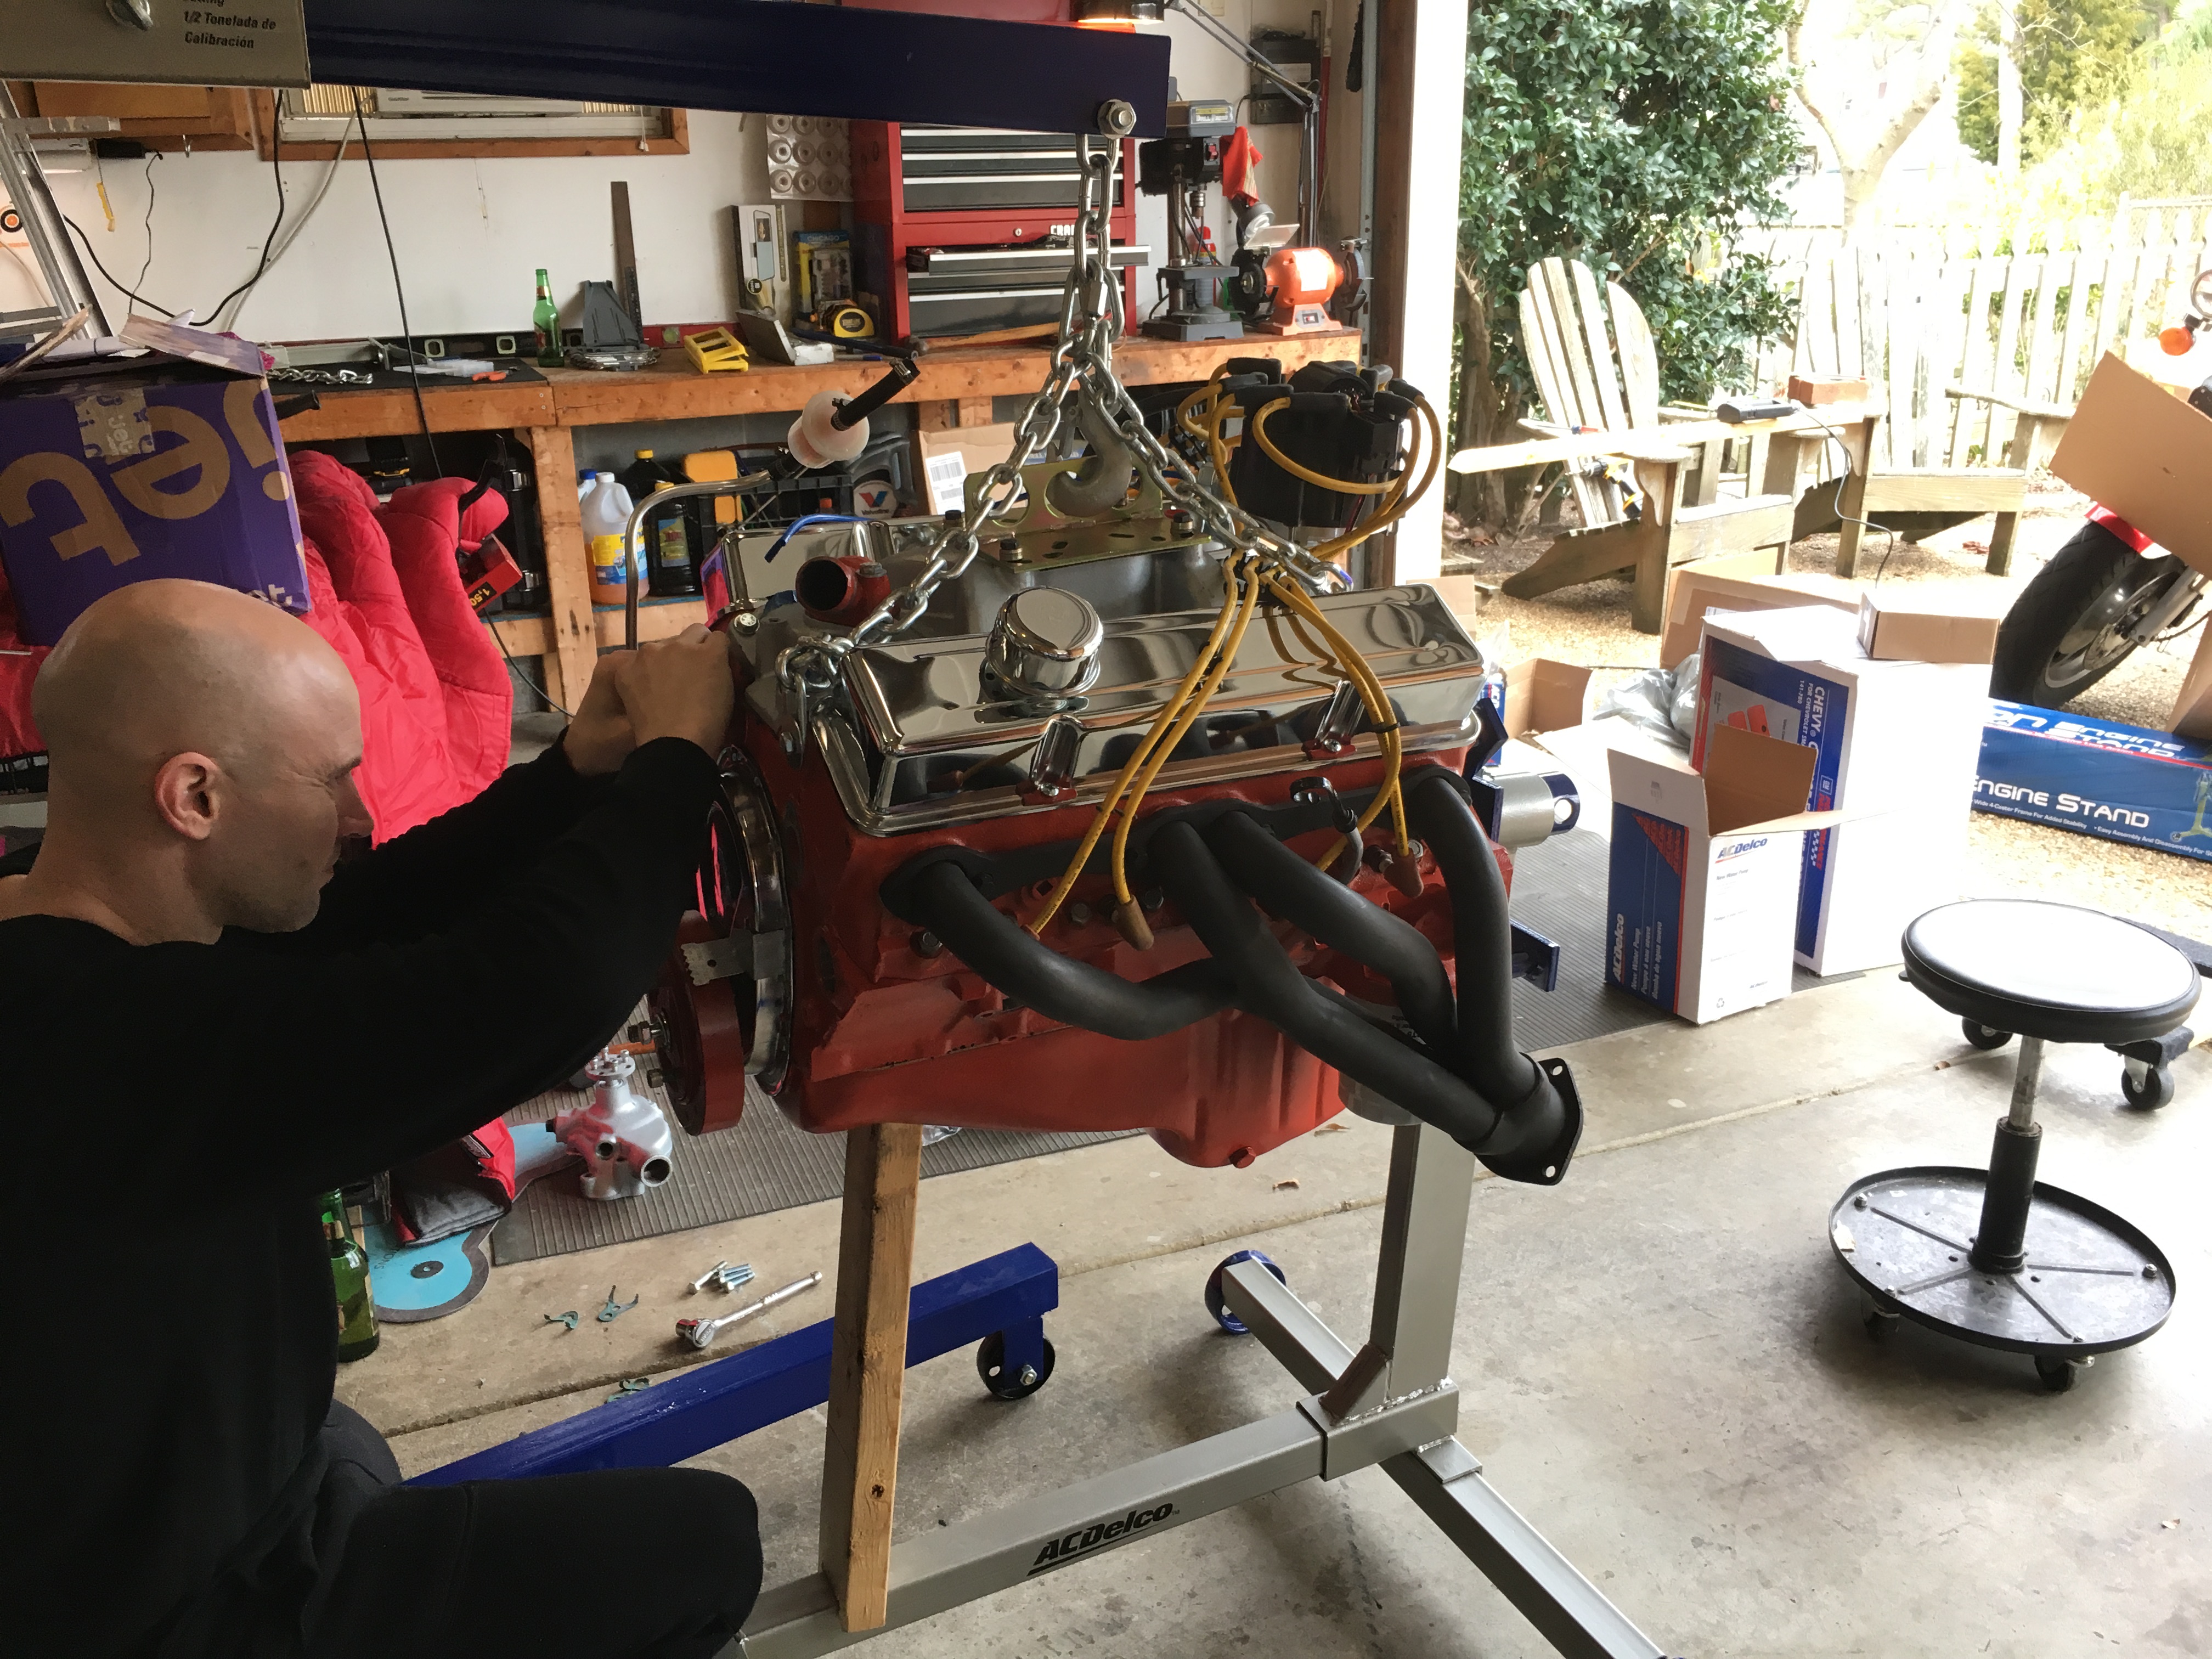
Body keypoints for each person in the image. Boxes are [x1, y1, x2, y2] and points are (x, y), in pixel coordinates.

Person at [0, 579, 759, 1659]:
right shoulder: (97, 1048)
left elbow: (350, 921)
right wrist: (678, 762)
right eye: (331, 781)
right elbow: (531, 991)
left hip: (203, 1493)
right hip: (182, 1612)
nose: (359, 818)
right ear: (195, 797)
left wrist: (573, 778)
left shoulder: (66, 918)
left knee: (349, 1443)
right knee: (704, 1544)